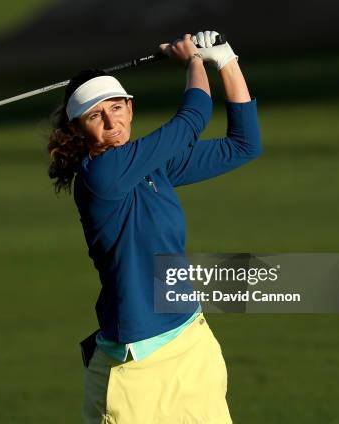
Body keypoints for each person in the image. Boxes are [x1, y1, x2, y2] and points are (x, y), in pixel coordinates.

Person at [47, 31, 261, 423]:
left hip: (191, 342)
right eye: (96, 115)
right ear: (77, 129)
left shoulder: (151, 165)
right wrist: (194, 61)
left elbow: (243, 145)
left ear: (130, 108)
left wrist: (227, 60)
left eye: (116, 107)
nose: (112, 122)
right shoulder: (101, 175)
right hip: (133, 369)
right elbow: (192, 118)